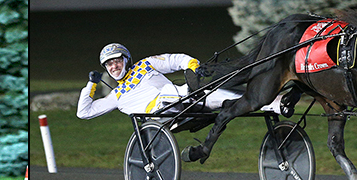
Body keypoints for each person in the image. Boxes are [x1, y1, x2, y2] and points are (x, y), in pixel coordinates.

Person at [77, 43, 245, 119]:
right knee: (170, 92)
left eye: (117, 61)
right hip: (157, 115)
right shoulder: (116, 95)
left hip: (182, 99)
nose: (114, 66)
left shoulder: (145, 64)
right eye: (109, 64)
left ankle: (252, 99)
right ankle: (191, 91)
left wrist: (193, 66)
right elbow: (84, 112)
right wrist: (91, 85)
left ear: (127, 59)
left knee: (207, 91)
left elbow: (175, 60)